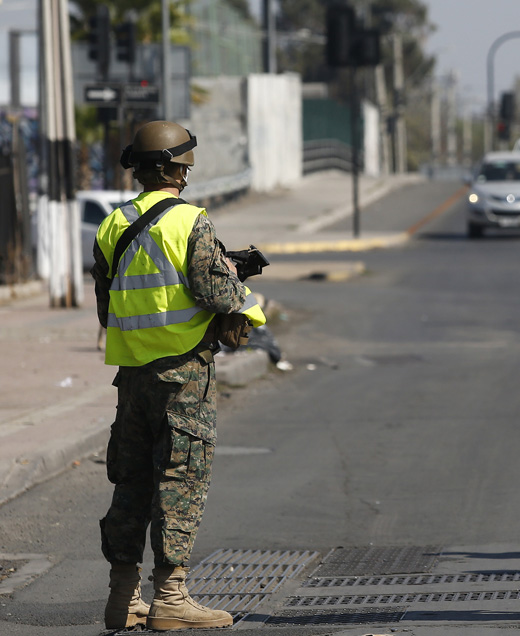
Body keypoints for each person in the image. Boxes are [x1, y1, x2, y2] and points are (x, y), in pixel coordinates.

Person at [92, 121, 266, 631]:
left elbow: (107, 312)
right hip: (183, 374)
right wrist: (240, 291)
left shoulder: (112, 225)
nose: (187, 177)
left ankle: (123, 598)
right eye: (184, 168)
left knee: (132, 482)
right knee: (180, 479)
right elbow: (215, 294)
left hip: (131, 376)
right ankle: (170, 600)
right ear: (173, 169)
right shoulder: (190, 222)